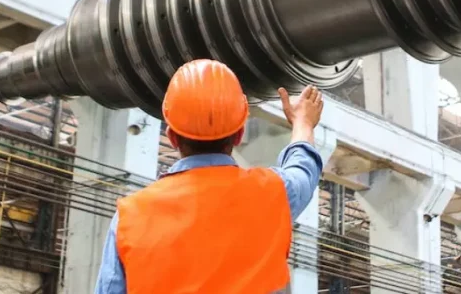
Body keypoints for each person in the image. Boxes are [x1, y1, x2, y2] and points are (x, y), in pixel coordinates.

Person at [93, 58, 326, 294]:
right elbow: (303, 169)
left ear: (172, 137)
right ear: (239, 134)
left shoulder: (129, 217)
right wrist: (303, 123)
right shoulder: (274, 193)